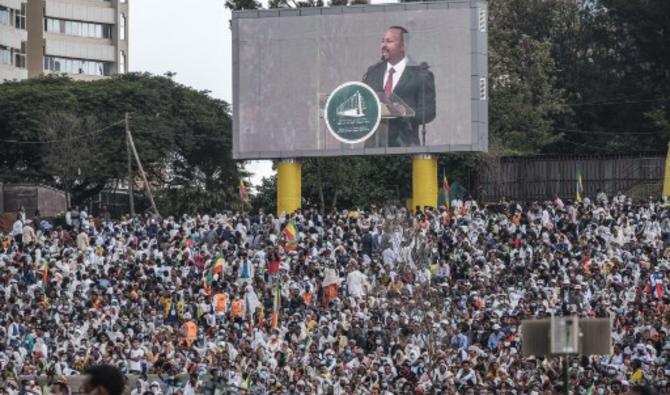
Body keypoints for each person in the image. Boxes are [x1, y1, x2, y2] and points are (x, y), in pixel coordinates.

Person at [363, 26, 436, 148]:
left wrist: (405, 113)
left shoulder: (421, 74)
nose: (383, 45)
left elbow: (428, 112)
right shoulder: (372, 72)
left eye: (389, 41)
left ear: (403, 46)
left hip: (405, 146)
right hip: (373, 148)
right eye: (382, 41)